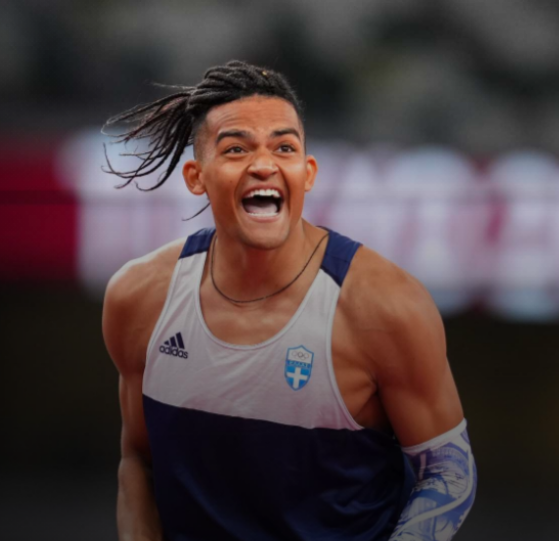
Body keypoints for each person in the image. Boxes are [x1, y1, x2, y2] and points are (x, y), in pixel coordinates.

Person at [102, 60, 476, 541]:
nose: (264, 165)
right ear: (196, 176)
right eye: (236, 149)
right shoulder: (140, 298)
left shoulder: (384, 306)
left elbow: (448, 473)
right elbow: (138, 460)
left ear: (308, 172)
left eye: (284, 148)